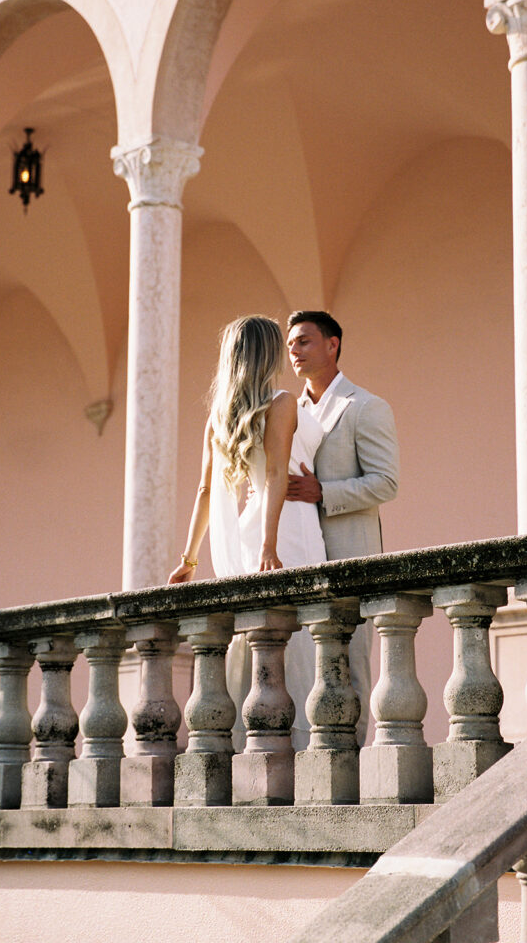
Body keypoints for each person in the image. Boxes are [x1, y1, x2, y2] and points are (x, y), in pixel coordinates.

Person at [168, 314, 327, 750]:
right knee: (296, 636)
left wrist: (189, 559)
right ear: (268, 353)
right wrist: (269, 545)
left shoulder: (219, 417)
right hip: (286, 525)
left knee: (256, 638)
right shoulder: (282, 402)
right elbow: (277, 472)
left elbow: (205, 491)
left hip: (251, 520)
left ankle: (250, 739)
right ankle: (299, 742)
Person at [285, 310, 399, 745]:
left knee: (350, 661)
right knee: (299, 665)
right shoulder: (286, 411)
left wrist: (323, 492)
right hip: (296, 556)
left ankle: (348, 765)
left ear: (332, 344)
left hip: (349, 552)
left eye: (304, 341)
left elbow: (386, 482)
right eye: (291, 344)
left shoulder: (365, 407)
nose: (294, 350)